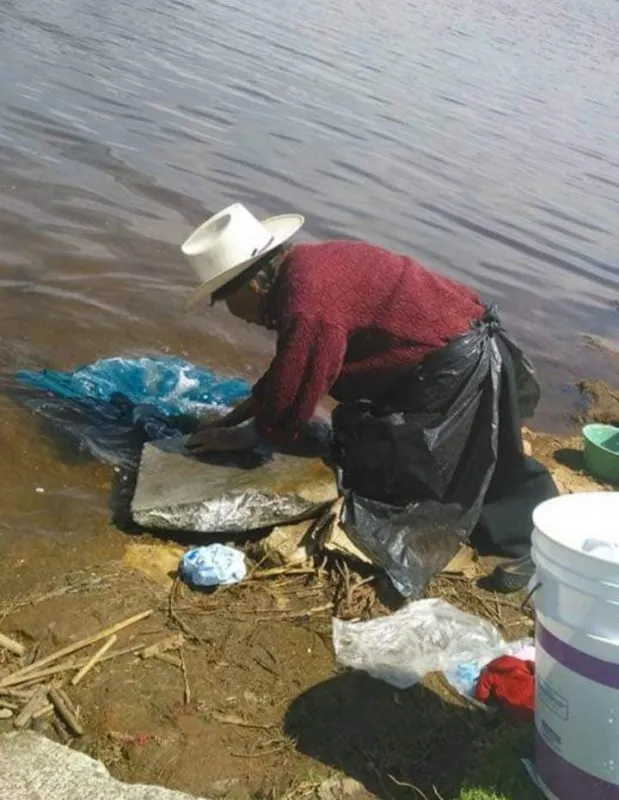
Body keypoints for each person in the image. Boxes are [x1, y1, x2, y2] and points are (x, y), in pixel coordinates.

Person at [181, 202, 556, 592]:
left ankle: (543, 545)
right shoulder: (303, 268)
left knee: (454, 469)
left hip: (457, 363)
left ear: (252, 284)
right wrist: (235, 416)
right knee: (452, 453)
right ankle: (530, 523)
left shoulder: (306, 302)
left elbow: (298, 388)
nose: (233, 314)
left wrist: (254, 433)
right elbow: (291, 369)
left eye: (224, 301)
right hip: (447, 347)